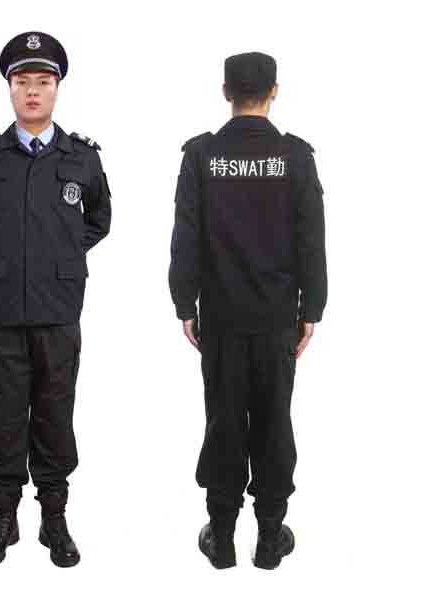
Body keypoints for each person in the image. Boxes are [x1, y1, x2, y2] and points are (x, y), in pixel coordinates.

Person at [0, 31, 111, 567]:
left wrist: (58, 255)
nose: (34, 91)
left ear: (58, 88)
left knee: (55, 413)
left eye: (44, 81)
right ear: (10, 88)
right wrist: (1, 256)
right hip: (2, 309)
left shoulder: (82, 157)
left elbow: (100, 220)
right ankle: (4, 517)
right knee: (3, 415)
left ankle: (54, 518)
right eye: (23, 81)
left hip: (59, 309)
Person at [168, 51, 327, 570]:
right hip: (277, 318)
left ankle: (221, 537)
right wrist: (311, 310)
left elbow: (185, 237)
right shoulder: (295, 157)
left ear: (225, 92)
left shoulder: (201, 155)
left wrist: (184, 303)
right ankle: (269, 538)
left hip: (220, 318)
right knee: (274, 423)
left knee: (224, 421)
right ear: (274, 91)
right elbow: (311, 241)